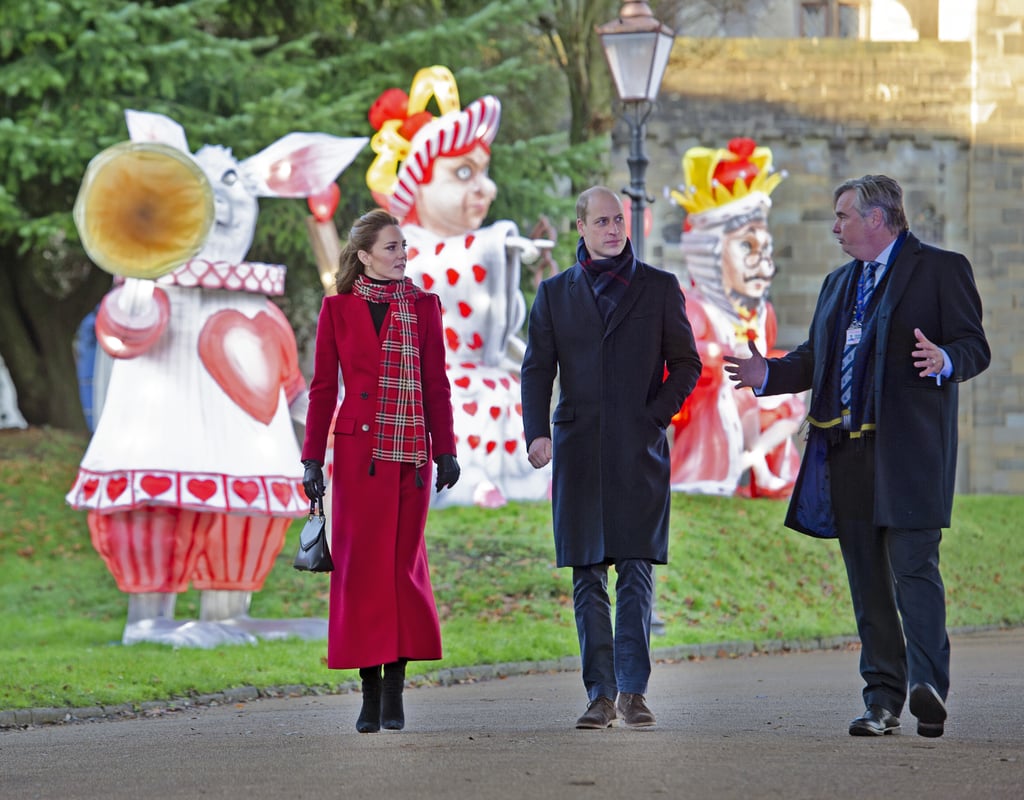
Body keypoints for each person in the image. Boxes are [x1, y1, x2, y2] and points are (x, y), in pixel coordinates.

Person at [724, 174, 990, 738]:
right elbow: (815, 358)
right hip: (846, 454)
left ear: (877, 218)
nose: (835, 225)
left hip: (910, 455)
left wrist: (944, 359)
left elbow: (975, 347)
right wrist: (766, 373)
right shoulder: (837, 284)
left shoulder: (941, 269)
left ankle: (928, 687)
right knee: (868, 582)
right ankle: (882, 700)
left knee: (913, 570)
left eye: (844, 215)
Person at [521, 186, 702, 729]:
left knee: (637, 571)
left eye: (618, 219)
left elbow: (686, 364)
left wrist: (655, 415)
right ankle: (599, 694)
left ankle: (633, 692)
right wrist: (536, 434)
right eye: (601, 221)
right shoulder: (554, 295)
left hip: (638, 450)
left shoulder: (659, 288)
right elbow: (536, 370)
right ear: (581, 227)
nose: (612, 229)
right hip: (577, 451)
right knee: (587, 575)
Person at [300, 209, 461, 733]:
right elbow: (324, 390)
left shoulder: (424, 307)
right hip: (356, 459)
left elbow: (436, 383)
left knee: (402, 570)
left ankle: (396, 688)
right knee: (361, 574)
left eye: (404, 246)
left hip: (411, 456)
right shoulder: (338, 310)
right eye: (391, 247)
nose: (402, 255)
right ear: (365, 255)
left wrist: (446, 450)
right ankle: (369, 691)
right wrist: (310, 460)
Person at [366, 65, 552, 508]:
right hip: (417, 386)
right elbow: (448, 268)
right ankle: (459, 483)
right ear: (418, 188)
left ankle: (521, 480)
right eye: (463, 174)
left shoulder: (471, 246)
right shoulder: (406, 258)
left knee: (506, 407)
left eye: (483, 173)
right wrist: (498, 243)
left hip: (482, 380)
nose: (486, 189)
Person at [668, 138, 805, 497]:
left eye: (765, 248)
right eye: (746, 246)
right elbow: (680, 360)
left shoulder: (762, 314)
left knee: (788, 393)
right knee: (735, 393)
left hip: (748, 395)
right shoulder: (695, 309)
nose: (762, 259)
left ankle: (760, 464)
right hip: (710, 406)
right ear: (712, 250)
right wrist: (715, 356)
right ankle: (718, 471)